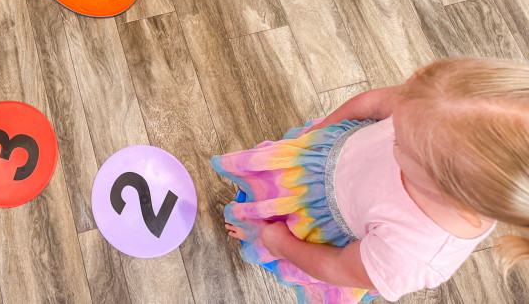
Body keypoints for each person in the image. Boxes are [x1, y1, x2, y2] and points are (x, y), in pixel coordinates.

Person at [212, 58, 529, 303]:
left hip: (318, 236)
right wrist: (316, 136)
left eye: (400, 141)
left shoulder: (412, 255)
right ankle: (261, 199)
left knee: (266, 233)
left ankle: (260, 233)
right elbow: (373, 104)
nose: (392, 126)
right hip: (323, 160)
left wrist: (279, 243)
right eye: (401, 111)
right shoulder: (435, 109)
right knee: (267, 183)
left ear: (451, 192)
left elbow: (336, 268)